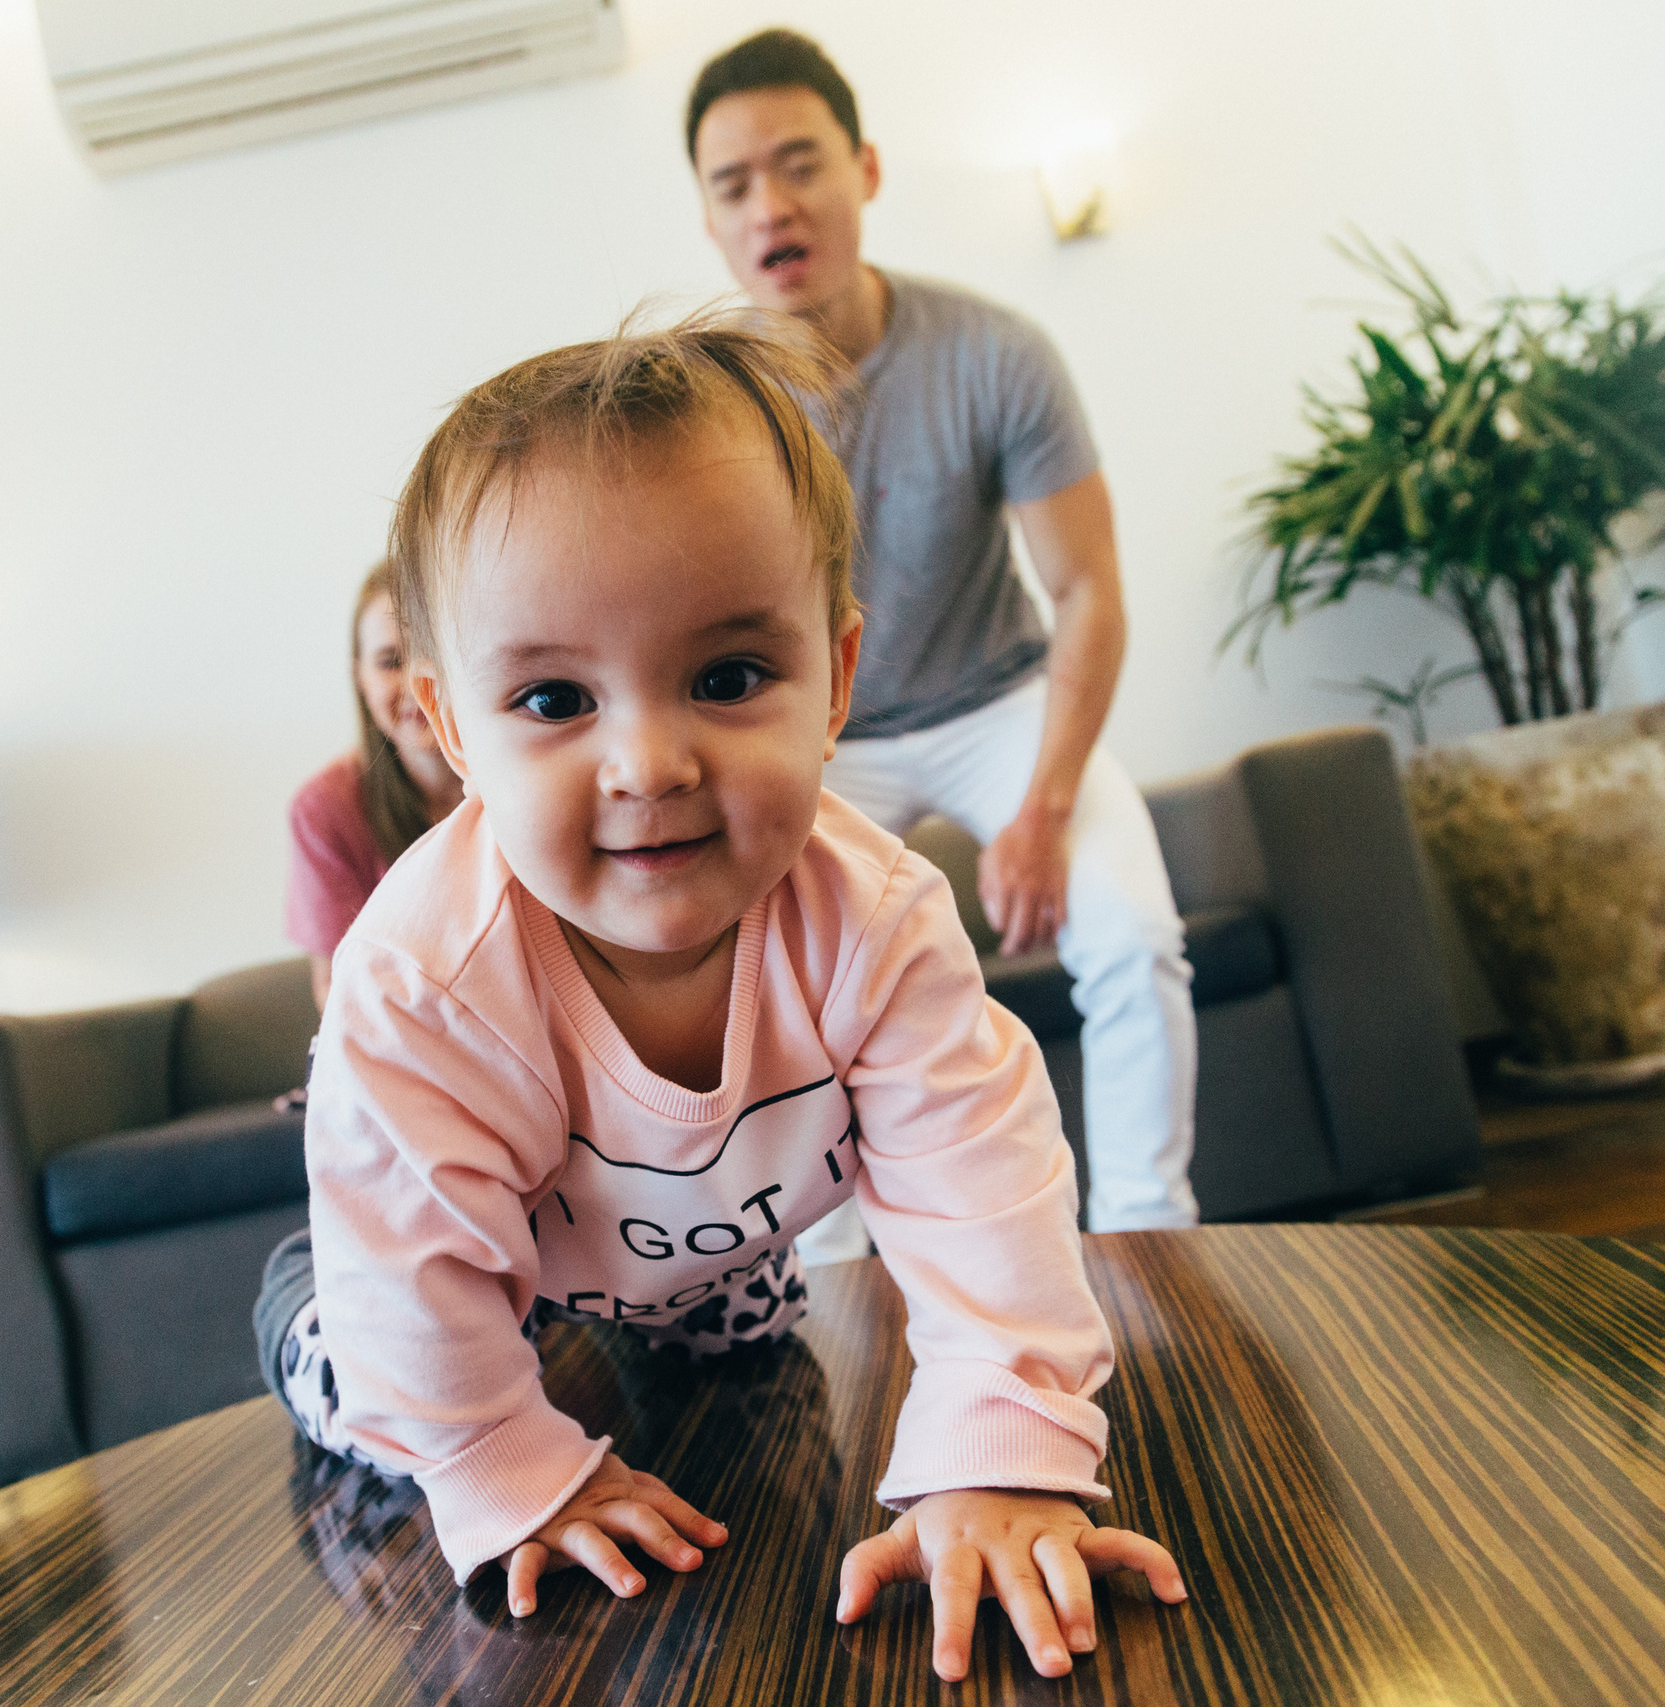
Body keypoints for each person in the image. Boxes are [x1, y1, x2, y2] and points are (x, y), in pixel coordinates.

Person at [253, 316, 1185, 1683]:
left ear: (835, 682)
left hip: (702, 1242)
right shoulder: (418, 983)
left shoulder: (876, 917)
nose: (649, 760)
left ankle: (660, 1311)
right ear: (453, 733)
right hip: (452, 1252)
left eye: (729, 677)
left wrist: (999, 1448)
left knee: (750, 1349)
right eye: (557, 696)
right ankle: (297, 1308)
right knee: (378, 1374)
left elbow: (979, 1183)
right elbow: (414, 1284)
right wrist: (514, 1465)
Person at [685, 30, 1198, 1232]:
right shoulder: (710, 414)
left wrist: (1048, 809)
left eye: (799, 163)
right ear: (710, 221)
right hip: (820, 738)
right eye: (735, 183)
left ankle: (1149, 1237)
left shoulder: (995, 354)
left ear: (863, 171)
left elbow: (1088, 594)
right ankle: (833, 1295)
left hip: (997, 702)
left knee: (1134, 934)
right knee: (784, 1000)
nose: (773, 203)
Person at [287, 560, 465, 1008]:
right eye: (391, 662)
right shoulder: (324, 808)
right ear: (359, 677)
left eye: (435, 656)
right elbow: (334, 989)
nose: (417, 683)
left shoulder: (522, 782)